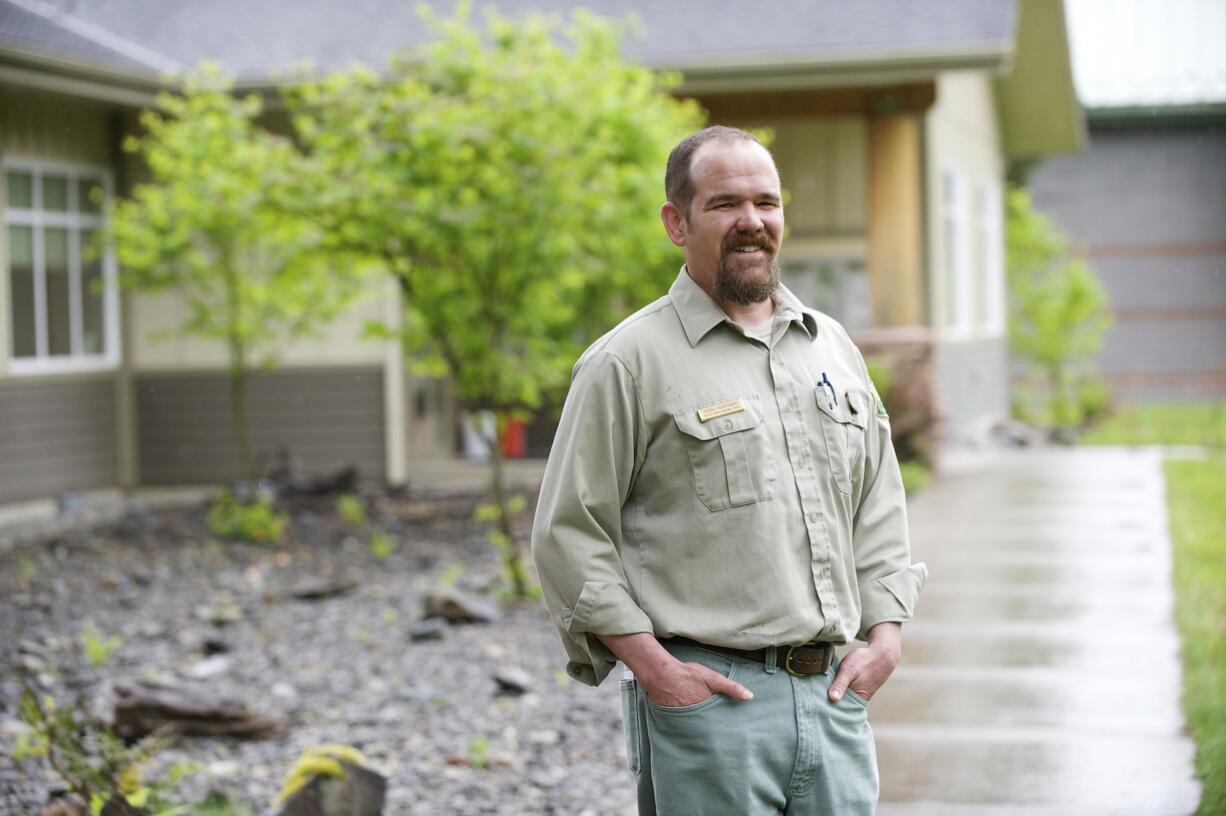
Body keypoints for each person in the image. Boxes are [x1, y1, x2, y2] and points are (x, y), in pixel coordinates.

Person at [531, 125, 927, 815]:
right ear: (676, 223)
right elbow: (568, 534)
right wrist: (657, 671)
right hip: (712, 712)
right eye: (725, 204)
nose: (752, 222)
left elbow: (878, 503)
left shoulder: (830, 347)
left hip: (834, 700)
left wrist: (886, 637)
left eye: (766, 203)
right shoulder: (625, 364)